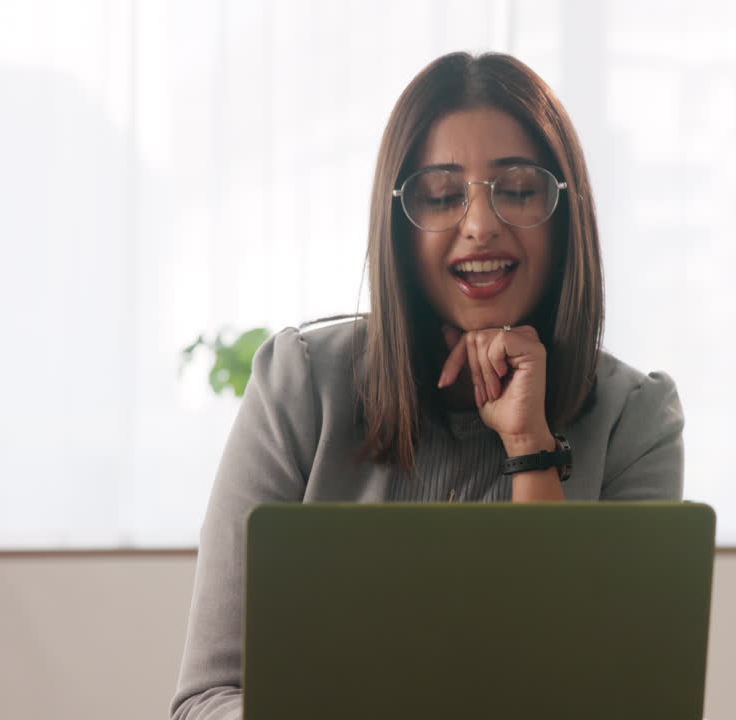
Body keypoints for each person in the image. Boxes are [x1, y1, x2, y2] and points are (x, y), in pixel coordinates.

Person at [170, 51, 684, 720]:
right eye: (442, 195)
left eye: (519, 189)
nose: (479, 224)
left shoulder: (635, 421)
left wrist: (530, 447)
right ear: (399, 226)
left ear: (564, 215)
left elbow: (602, 701)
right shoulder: (301, 384)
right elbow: (206, 699)